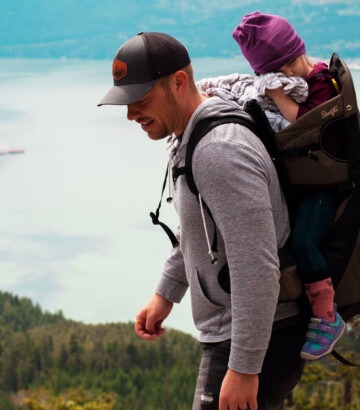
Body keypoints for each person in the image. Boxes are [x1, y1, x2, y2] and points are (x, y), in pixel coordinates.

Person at [98, 31, 307, 410]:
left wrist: (244, 368)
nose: (130, 114)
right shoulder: (187, 136)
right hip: (245, 330)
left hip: (258, 335)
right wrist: (166, 293)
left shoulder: (219, 151)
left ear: (178, 82)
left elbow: (255, 266)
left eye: (140, 99)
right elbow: (203, 230)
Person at [233, 11, 346, 362]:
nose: (281, 79)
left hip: (324, 185)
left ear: (295, 54)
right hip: (309, 180)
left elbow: (305, 123)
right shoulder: (306, 76)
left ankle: (328, 317)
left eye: (282, 71)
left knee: (304, 242)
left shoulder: (323, 81)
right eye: (272, 75)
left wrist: (276, 94)